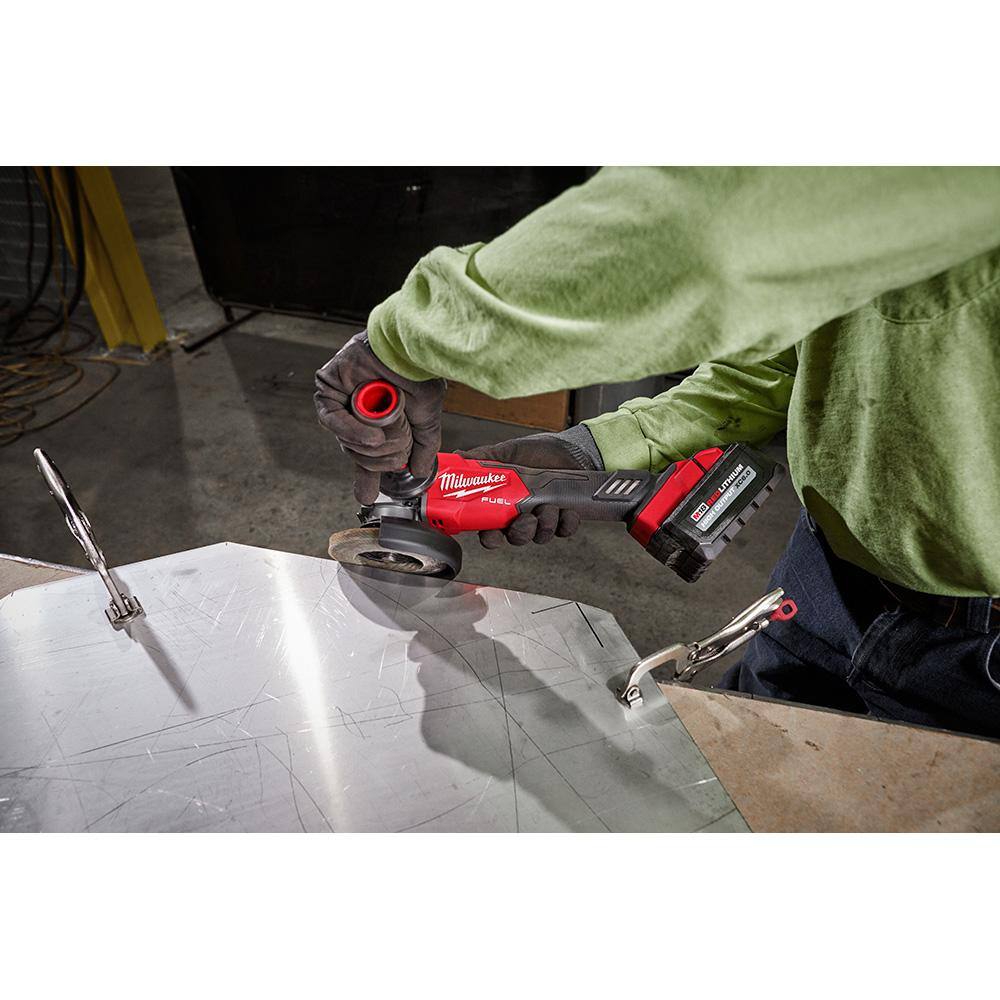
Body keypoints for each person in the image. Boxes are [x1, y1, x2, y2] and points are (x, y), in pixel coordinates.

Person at [315, 167, 1000, 739]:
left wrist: (409, 340)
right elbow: (776, 368)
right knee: (735, 780)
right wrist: (586, 452)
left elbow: (713, 231)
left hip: (980, 673)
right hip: (821, 585)